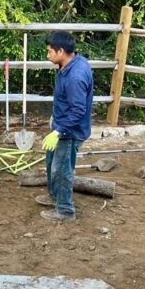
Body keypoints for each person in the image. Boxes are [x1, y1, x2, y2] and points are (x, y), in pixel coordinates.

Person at [38, 31, 94, 222]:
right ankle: (54, 196)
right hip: (61, 126)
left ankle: (65, 210)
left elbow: (78, 111)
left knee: (61, 169)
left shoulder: (75, 77)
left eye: (49, 51)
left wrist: (59, 130)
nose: (48, 55)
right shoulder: (70, 64)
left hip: (70, 131)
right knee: (50, 161)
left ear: (61, 51)